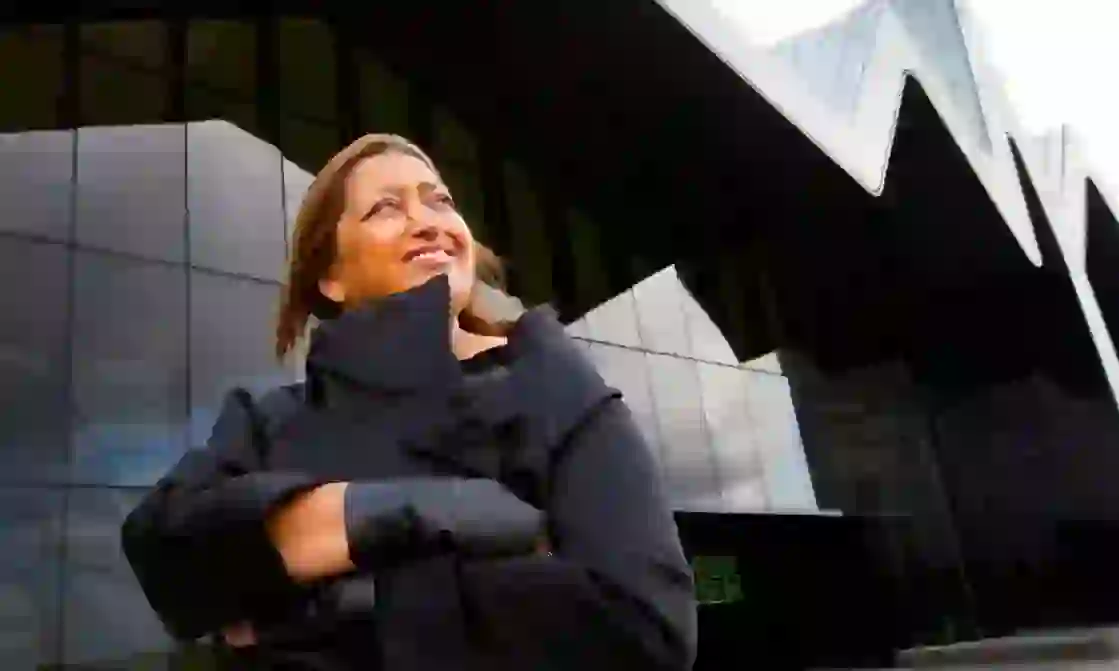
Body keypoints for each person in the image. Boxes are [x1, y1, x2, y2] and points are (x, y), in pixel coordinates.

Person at [121, 134, 697, 670]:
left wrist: (325, 599)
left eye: (440, 201)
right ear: (330, 278)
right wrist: (429, 512)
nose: (428, 222)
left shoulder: (558, 389)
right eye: (385, 208)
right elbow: (166, 551)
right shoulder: (270, 420)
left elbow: (646, 628)